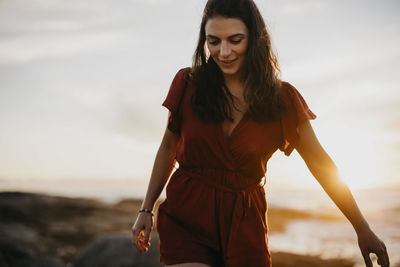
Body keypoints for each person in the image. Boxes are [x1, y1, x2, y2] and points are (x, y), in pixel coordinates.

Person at [131, 0, 390, 266]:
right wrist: (146, 209)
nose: (224, 52)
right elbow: (167, 147)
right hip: (188, 216)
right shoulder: (187, 84)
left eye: (235, 40)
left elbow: (320, 163)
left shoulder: (282, 100)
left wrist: (362, 227)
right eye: (214, 41)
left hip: (245, 225)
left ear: (254, 38)